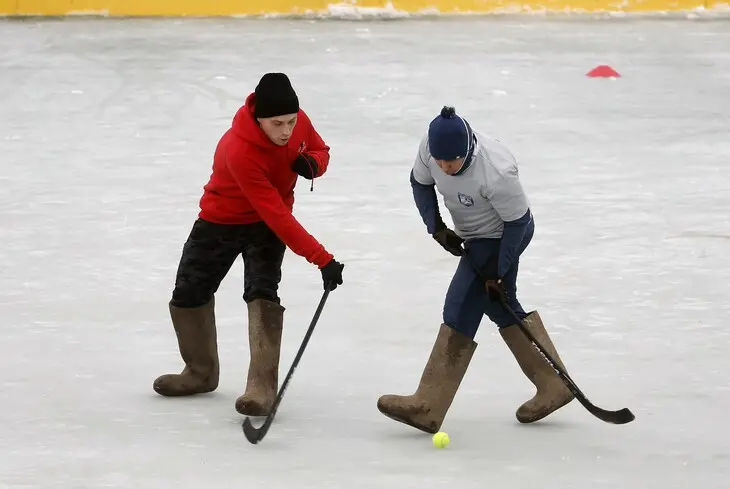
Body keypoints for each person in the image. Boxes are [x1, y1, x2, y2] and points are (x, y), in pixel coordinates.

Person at [153, 73, 344, 416]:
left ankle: (261, 388)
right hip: (220, 221)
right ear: (259, 120)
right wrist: (322, 258)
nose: (287, 131)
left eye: (292, 121)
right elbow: (275, 215)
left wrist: (313, 164)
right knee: (188, 294)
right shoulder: (239, 149)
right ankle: (200, 373)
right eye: (277, 124)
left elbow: (320, 149)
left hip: (266, 226)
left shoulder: (297, 124)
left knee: (262, 293)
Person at [377, 106, 573, 433]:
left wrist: (498, 270)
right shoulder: (431, 147)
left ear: (466, 150)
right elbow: (419, 183)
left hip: (503, 234)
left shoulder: (497, 171)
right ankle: (554, 383)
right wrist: (436, 227)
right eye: (439, 162)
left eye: (450, 162)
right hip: (474, 236)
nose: (444, 168)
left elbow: (518, 224)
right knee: (498, 304)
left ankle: (429, 404)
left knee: (460, 305)